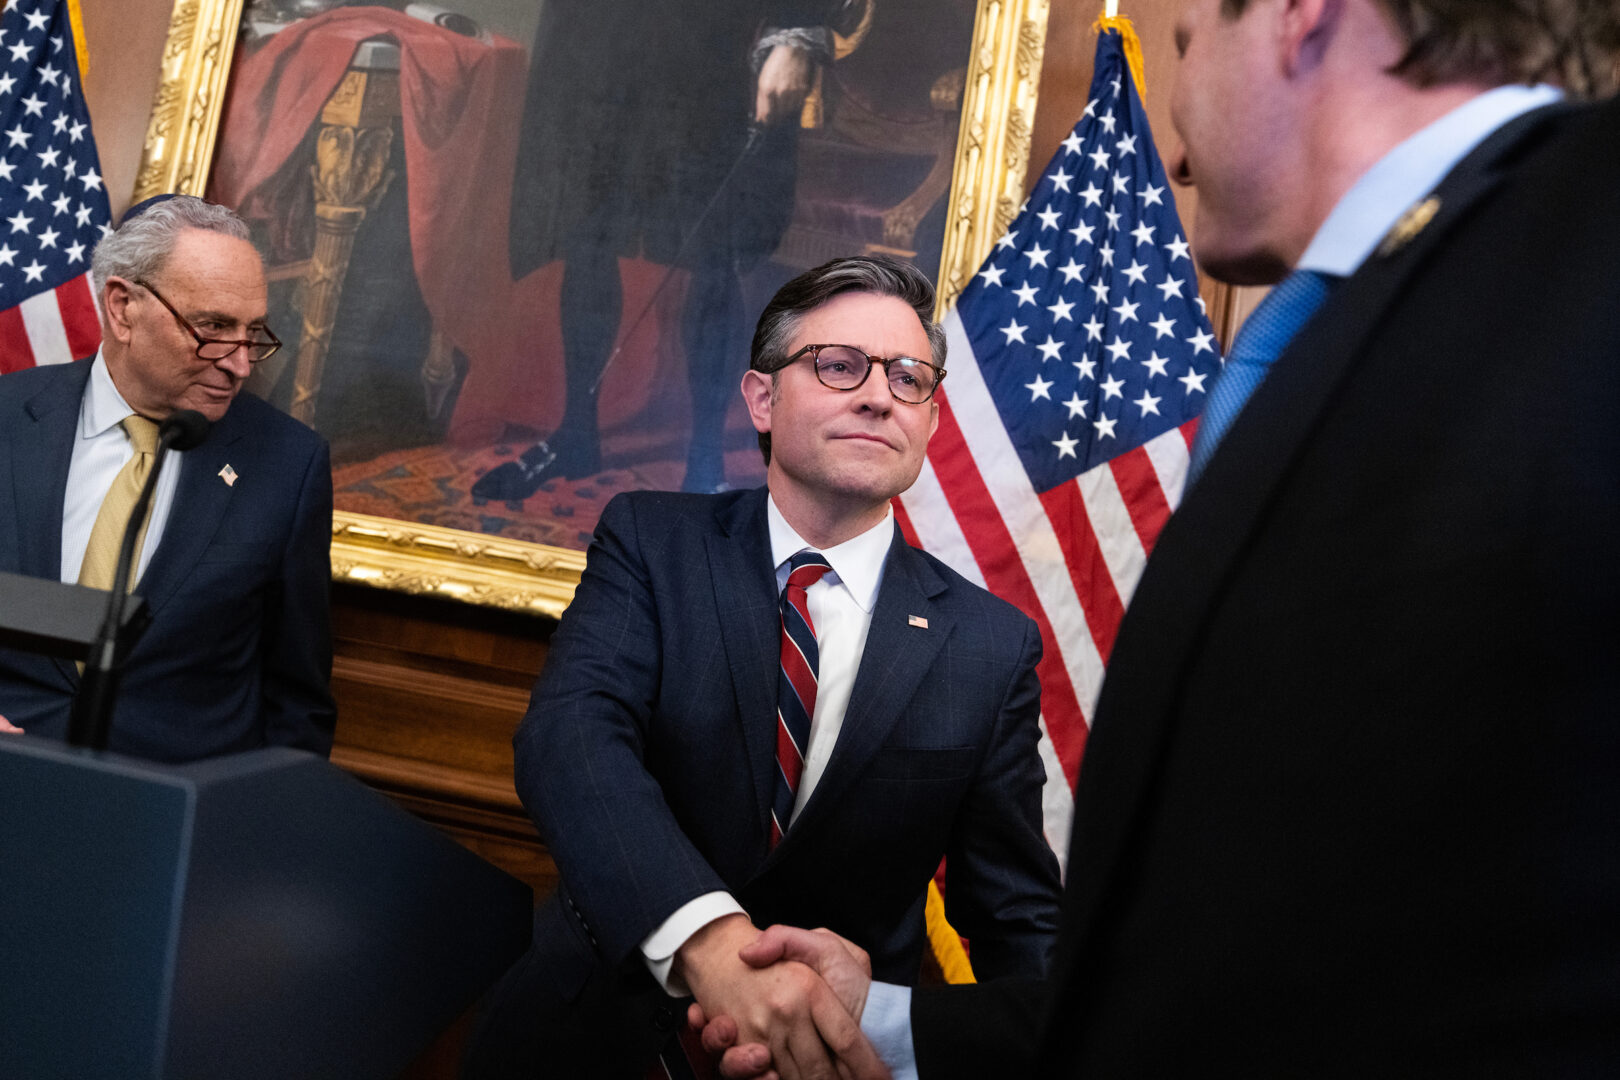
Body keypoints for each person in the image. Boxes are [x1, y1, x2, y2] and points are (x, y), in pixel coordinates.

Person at [697, 0, 1620, 1076]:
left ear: (1295, 15)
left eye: (1186, 44)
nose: (1173, 141)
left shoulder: (1581, 267)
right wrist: (891, 1026)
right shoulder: (1385, 308)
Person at [463, 255, 1062, 1078]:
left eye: (910, 377)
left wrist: (924, 1036)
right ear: (761, 398)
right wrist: (708, 944)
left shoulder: (992, 646)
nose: (879, 395)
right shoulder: (650, 542)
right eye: (839, 365)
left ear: (928, 417)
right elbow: (572, 741)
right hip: (586, 1043)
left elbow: (1018, 927)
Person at [477, 1, 869, 501]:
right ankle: (576, 433)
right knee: (586, 232)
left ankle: (704, 460)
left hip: (702, 39)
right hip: (593, 37)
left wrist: (796, 33)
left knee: (713, 246)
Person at [0, 195, 335, 762]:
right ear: (123, 308)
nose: (240, 363)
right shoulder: (8, 417)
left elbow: (297, 702)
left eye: (252, 331)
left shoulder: (287, 464)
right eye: (211, 327)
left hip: (170, 818)